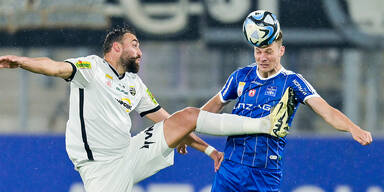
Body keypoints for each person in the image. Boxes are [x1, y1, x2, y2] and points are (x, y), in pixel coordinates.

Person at [0, 26, 289, 192]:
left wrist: (209, 151)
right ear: (115, 48)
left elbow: (169, 120)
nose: (140, 51)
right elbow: (54, 66)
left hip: (129, 153)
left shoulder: (135, 84)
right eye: (134, 45)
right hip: (101, 172)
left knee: (186, 115)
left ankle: (266, 123)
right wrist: (22, 62)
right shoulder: (91, 67)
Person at [201, 30, 373, 192]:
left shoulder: (292, 82)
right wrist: (188, 129)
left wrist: (353, 127)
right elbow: (210, 109)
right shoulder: (241, 76)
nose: (262, 58)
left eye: (268, 52)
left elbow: (326, 111)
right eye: (258, 52)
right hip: (230, 167)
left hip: (264, 172)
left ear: (281, 50)